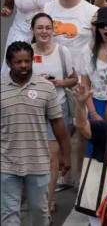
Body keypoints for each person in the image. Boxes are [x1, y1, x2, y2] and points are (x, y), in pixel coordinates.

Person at [1, 41, 71, 226]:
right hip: (6, 164)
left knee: (40, 212)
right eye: (18, 62)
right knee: (9, 214)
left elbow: (57, 122)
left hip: (39, 163)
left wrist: (66, 154)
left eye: (27, 61)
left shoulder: (46, 88)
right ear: (9, 63)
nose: (24, 65)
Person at [29, 13, 77, 215]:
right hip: (31, 112)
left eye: (48, 27)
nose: (44, 32)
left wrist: (58, 83)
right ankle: (34, 197)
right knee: (33, 159)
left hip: (56, 110)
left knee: (51, 159)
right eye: (39, 28)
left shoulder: (62, 51)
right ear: (32, 30)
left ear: (53, 30)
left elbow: (73, 79)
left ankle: (47, 206)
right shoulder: (26, 52)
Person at [43, 0, 99, 76]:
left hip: (81, 76)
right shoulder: (47, 8)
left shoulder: (92, 11)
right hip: (51, 74)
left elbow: (99, 43)